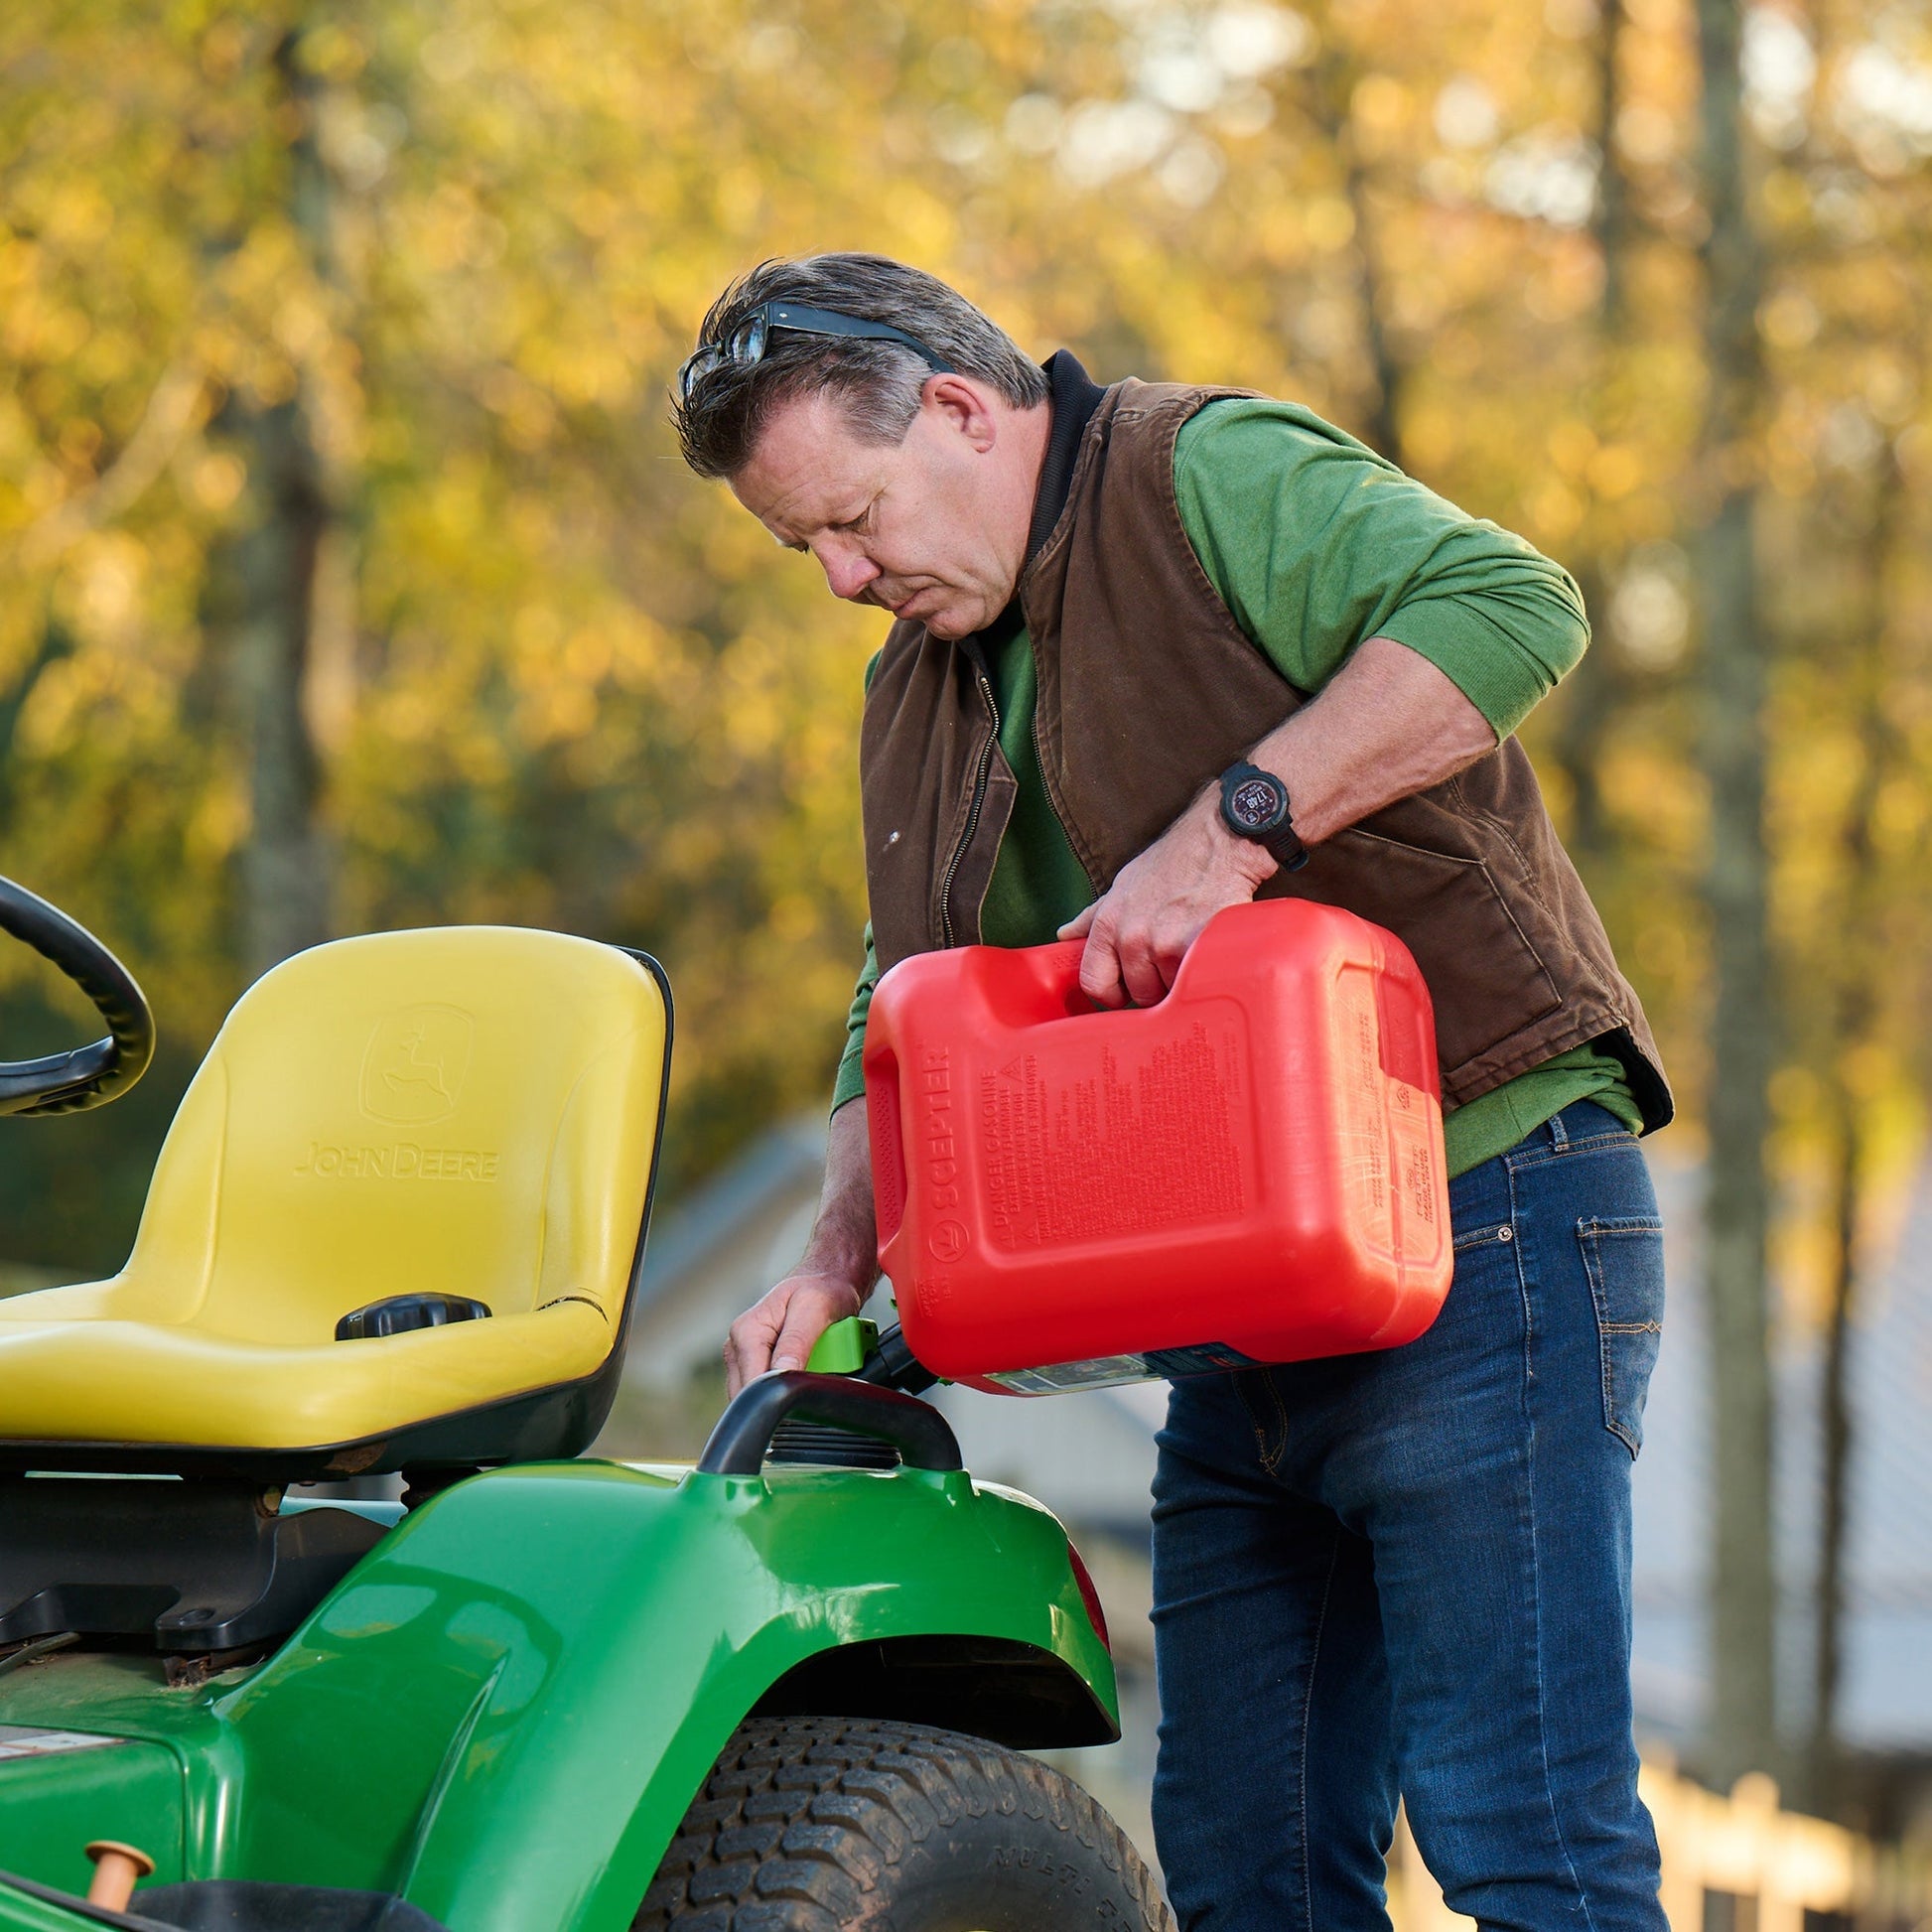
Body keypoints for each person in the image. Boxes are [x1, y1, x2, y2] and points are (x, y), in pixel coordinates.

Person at [673, 251, 1674, 1932]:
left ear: (961, 409)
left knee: (1524, 1843)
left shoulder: (1201, 473)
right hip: (1235, 1304)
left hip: (1482, 1223)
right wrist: (842, 1254)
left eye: (850, 519)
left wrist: (1230, 831)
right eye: (803, 551)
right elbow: (892, 998)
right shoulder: (909, 688)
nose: (841, 576)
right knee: (1245, 1870)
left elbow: (1512, 605)